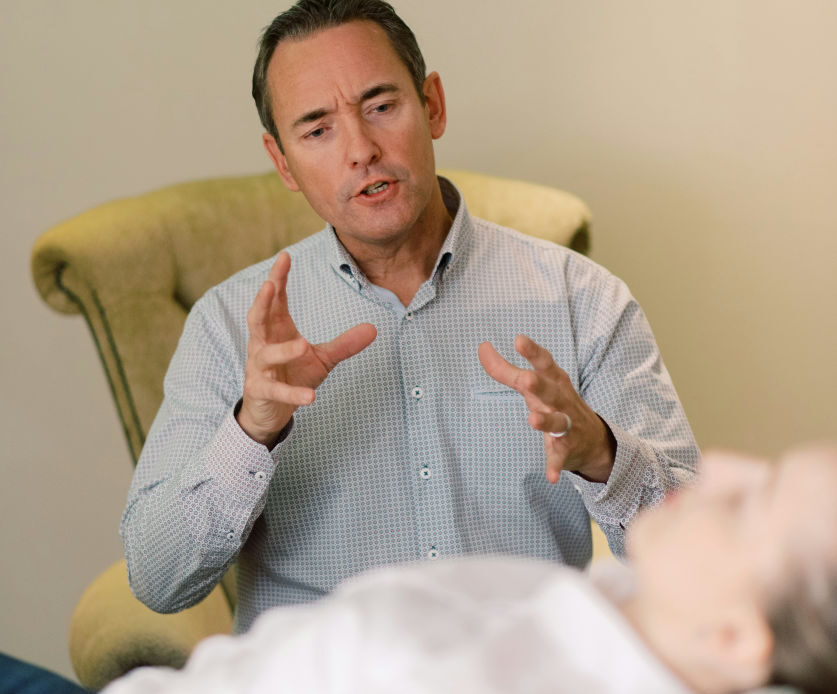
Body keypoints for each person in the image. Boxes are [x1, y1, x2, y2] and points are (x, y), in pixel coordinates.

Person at [121, 0, 698, 633]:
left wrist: (602, 454)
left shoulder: (580, 297)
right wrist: (252, 430)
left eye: (381, 107)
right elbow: (158, 579)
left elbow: (700, 555)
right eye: (317, 130)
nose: (361, 150)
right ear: (282, 160)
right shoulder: (230, 322)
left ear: (433, 106)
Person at [106, 446, 837, 694]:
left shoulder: (440, 672)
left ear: (737, 640)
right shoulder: (620, 607)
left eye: (749, 505)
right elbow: (159, 572)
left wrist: (597, 454)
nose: (716, 462)